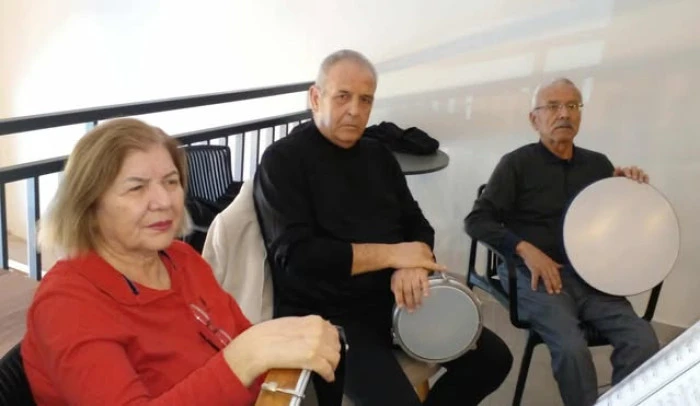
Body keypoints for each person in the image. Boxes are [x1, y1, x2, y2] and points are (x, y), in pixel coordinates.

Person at [253, 49, 513, 406]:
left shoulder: (377, 155)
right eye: (343, 96)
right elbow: (297, 257)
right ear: (315, 98)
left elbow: (417, 224)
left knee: (493, 359)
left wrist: (412, 265)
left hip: (396, 299)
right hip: (329, 317)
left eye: (365, 100)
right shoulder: (282, 160)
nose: (355, 110)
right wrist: (394, 256)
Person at [20, 118, 342, 406]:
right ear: (89, 204)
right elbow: (243, 352)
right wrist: (245, 358)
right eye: (137, 188)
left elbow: (239, 338)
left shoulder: (182, 259)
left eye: (171, 182)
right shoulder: (67, 304)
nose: (164, 201)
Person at [464, 78, 660, 406]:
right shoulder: (516, 163)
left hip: (591, 276)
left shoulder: (597, 164)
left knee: (643, 341)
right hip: (534, 276)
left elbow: (615, 220)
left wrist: (627, 186)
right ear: (535, 119)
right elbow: (477, 221)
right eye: (553, 107)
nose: (564, 114)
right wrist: (524, 249)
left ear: (580, 115)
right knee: (570, 349)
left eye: (572, 106)